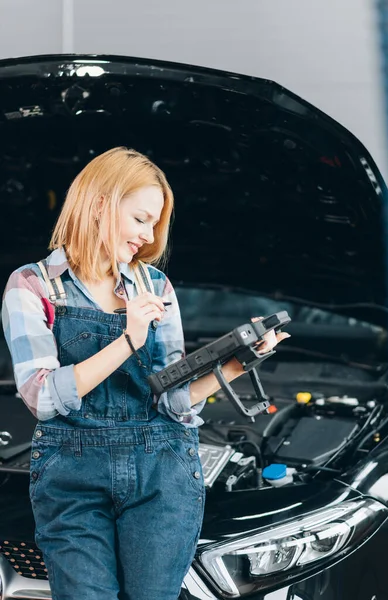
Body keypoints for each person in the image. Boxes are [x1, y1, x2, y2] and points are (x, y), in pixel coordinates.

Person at [1, 147, 290, 600]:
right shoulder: (33, 285)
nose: (148, 234)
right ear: (100, 204)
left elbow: (172, 399)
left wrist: (238, 362)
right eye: (140, 218)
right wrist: (128, 338)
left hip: (161, 467)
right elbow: (41, 398)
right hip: (71, 470)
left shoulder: (155, 286)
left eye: (154, 223)